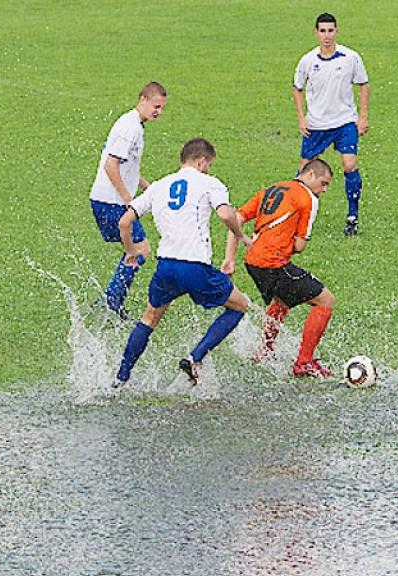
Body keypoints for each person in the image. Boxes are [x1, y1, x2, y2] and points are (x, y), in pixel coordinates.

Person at [114, 138, 252, 387]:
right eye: (208, 164)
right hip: (195, 267)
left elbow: (124, 222)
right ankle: (194, 357)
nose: (209, 169)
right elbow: (225, 213)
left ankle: (121, 377)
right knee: (240, 306)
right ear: (201, 162)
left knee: (149, 319)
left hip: (165, 267)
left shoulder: (158, 186)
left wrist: (131, 252)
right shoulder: (210, 183)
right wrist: (240, 235)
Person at [222, 159, 336, 377]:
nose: (324, 190)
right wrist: (281, 242)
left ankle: (264, 351)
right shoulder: (308, 198)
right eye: (323, 183)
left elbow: (236, 217)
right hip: (272, 263)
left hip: (252, 263)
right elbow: (300, 245)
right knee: (325, 300)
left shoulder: (272, 189)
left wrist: (230, 257)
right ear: (310, 174)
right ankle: (304, 362)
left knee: (282, 299)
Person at [89, 82, 168, 320]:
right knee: (140, 249)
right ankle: (111, 301)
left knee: (134, 249)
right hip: (111, 202)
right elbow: (110, 165)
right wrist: (128, 199)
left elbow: (125, 166)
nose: (159, 112)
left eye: (162, 108)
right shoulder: (130, 128)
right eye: (156, 106)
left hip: (106, 200)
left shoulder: (132, 124)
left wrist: (147, 187)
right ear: (143, 99)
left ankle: (112, 300)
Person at [292, 12, 369, 236]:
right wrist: (301, 118)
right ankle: (298, 213)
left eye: (331, 30)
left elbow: (364, 84)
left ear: (337, 31)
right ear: (316, 32)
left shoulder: (350, 57)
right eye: (323, 31)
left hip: (345, 121)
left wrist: (362, 117)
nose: (327, 35)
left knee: (349, 165)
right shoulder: (308, 61)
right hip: (316, 124)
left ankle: (352, 216)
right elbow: (297, 88)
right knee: (305, 171)